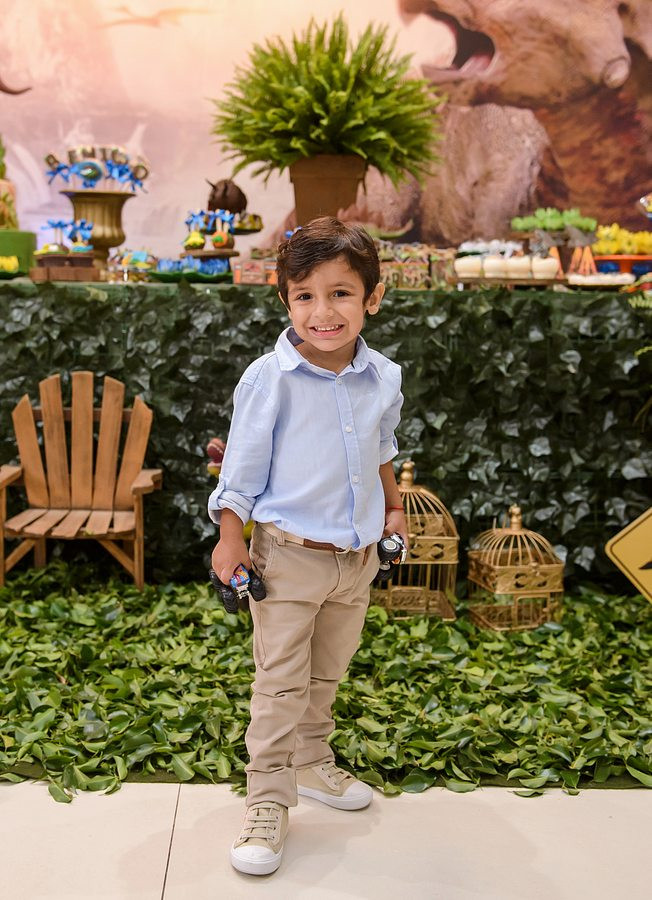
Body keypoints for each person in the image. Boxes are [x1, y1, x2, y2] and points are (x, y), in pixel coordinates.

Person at [208, 216, 408, 876]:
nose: (323, 312)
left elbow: (382, 451)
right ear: (285, 300)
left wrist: (394, 510)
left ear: (373, 297)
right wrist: (230, 539)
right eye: (305, 296)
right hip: (287, 560)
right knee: (280, 683)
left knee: (328, 670)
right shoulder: (270, 379)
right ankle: (267, 799)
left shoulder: (383, 377)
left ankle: (312, 760)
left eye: (340, 293)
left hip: (356, 561)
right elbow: (240, 472)